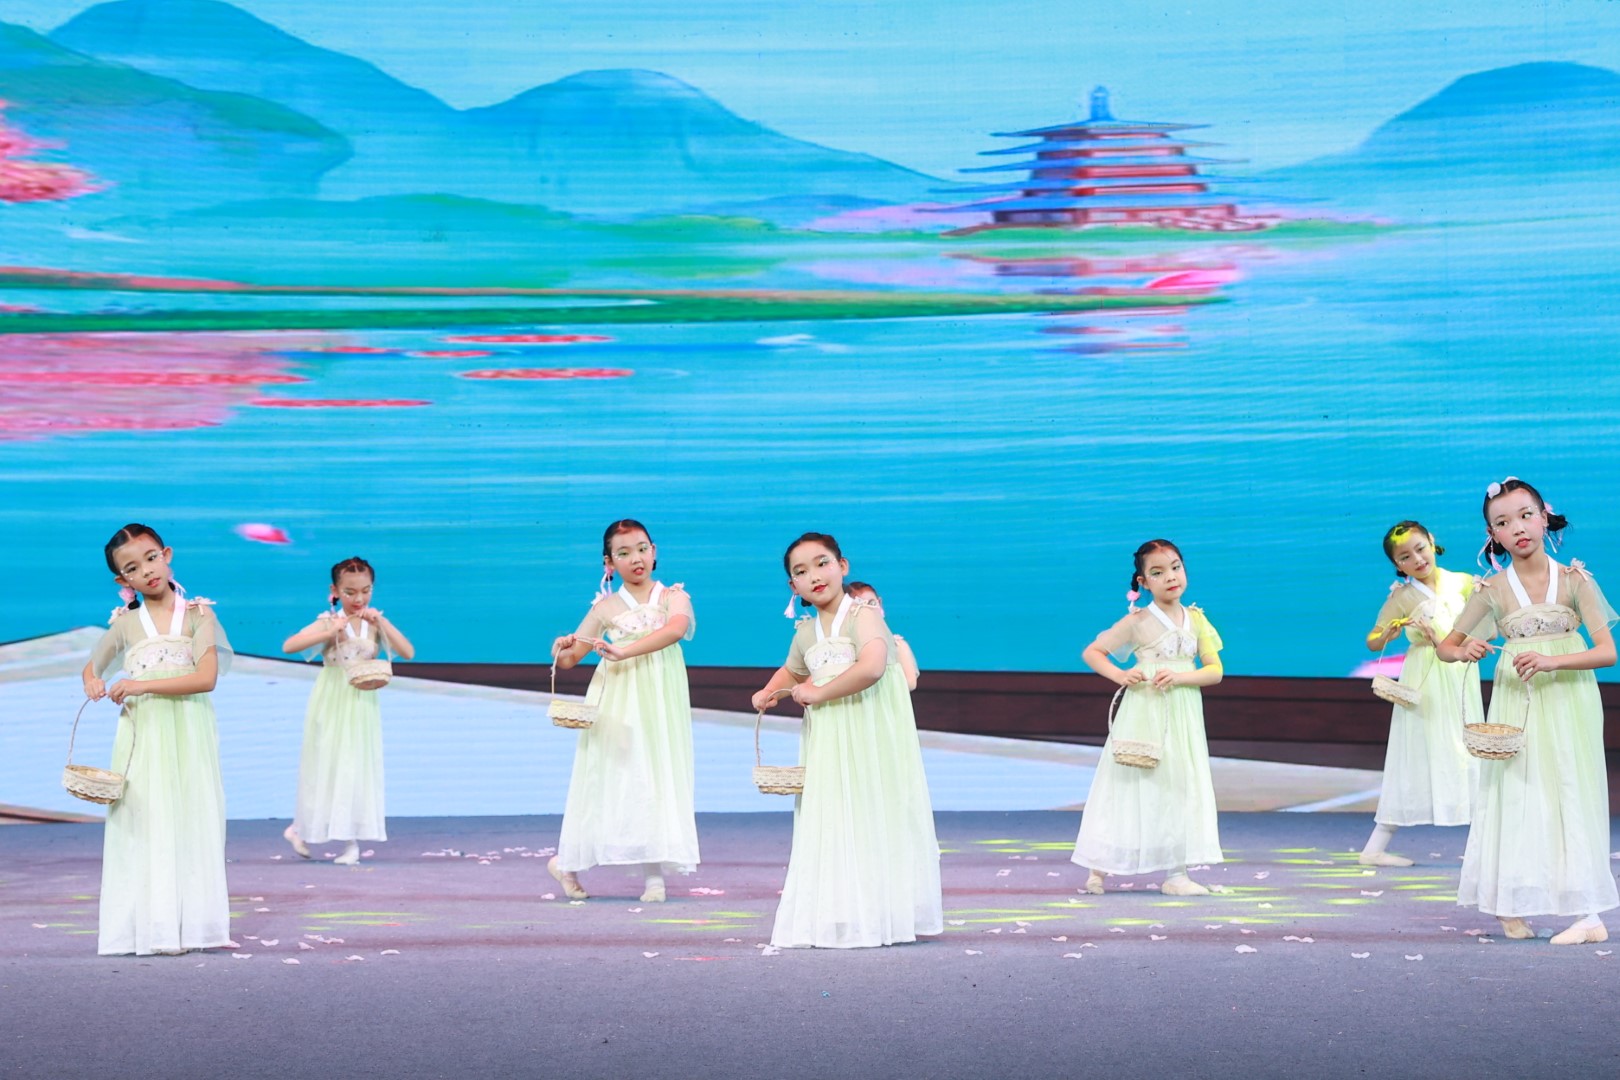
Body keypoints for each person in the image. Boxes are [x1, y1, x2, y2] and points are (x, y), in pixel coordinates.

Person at [1436, 477, 1617, 944]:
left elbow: (1607, 652)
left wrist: (1553, 661)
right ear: (1492, 534)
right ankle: (1509, 904)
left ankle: (1588, 914)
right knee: (1515, 793)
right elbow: (1446, 647)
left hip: (1569, 698)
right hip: (1517, 699)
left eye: (1525, 515)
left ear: (1543, 518)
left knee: (1571, 789)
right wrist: (1467, 649)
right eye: (1502, 522)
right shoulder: (1491, 589)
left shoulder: (1574, 580)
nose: (1516, 528)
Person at [752, 532, 942, 948]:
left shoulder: (863, 615)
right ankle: (840, 910)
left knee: (872, 809)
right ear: (793, 586)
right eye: (801, 571)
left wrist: (819, 692)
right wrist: (768, 691)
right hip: (830, 739)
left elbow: (872, 667)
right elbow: (793, 670)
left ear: (842, 566)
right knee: (833, 815)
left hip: (869, 733)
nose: (814, 576)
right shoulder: (806, 631)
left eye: (822, 563)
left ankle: (882, 913)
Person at [83, 523, 232, 956]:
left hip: (189, 727)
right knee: (146, 820)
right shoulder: (125, 624)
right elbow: (92, 667)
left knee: (191, 816)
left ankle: (192, 927)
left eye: (151, 558)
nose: (147, 571)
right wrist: (93, 682)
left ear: (166, 555)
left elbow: (205, 679)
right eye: (133, 568)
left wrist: (140, 685)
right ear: (123, 579)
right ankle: (152, 927)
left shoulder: (199, 615)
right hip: (143, 733)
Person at [548, 520, 699, 902]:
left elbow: (676, 630)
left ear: (654, 551)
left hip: (661, 700)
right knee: (612, 776)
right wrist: (561, 647)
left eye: (642, 548)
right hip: (619, 701)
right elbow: (570, 658)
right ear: (609, 562)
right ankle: (567, 864)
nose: (636, 558)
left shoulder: (673, 596)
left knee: (657, 775)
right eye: (624, 552)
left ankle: (654, 876)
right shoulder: (605, 607)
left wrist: (624, 650)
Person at [1072, 539, 1224, 896]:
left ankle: (1176, 874)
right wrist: (1121, 674)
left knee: (1180, 785)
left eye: (1175, 567)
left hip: (1183, 712)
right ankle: (1099, 866)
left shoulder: (1197, 619)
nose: (1170, 577)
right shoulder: (1138, 622)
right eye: (1158, 572)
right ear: (1143, 582)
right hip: (1145, 710)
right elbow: (1093, 652)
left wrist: (1181, 677)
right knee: (1129, 780)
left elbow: (1215, 671)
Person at [1359, 521, 1481, 867]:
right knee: (1414, 754)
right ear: (1398, 565)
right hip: (1424, 678)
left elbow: (1485, 624)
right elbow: (1373, 640)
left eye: (1420, 548)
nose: (1417, 559)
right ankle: (1374, 848)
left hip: (1459, 674)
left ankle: (1485, 845)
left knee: (1467, 750)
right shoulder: (1402, 596)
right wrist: (1389, 632)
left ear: (1431, 542)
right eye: (1405, 557)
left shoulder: (1464, 582)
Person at [281, 556, 415, 866]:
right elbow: (290, 646)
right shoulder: (329, 621)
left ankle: (342, 838)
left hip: (362, 702)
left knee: (356, 767)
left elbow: (407, 652)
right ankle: (308, 830)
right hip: (331, 699)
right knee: (326, 765)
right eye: (350, 592)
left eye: (366, 591)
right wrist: (330, 633)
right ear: (335, 590)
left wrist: (382, 623)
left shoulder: (373, 623)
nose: (359, 599)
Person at [845, 580, 919, 690]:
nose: (868, 609)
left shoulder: (897, 646)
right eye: (860, 606)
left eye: (871, 603)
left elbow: (910, 683)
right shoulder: (846, 648)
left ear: (879, 603)